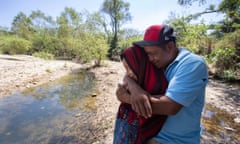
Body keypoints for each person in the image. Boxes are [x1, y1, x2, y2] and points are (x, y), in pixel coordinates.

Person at [117, 24, 208, 144]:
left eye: (153, 53)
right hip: (149, 133)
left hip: (175, 140)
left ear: (170, 46)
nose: (150, 58)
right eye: (147, 54)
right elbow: (132, 74)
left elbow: (170, 106)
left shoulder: (192, 64)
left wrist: (127, 98)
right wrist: (134, 87)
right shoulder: (159, 62)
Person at [114, 45, 168, 144]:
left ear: (140, 63)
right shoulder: (137, 80)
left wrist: (127, 97)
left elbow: (149, 104)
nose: (128, 73)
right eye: (125, 69)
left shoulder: (158, 85)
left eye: (129, 67)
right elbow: (120, 91)